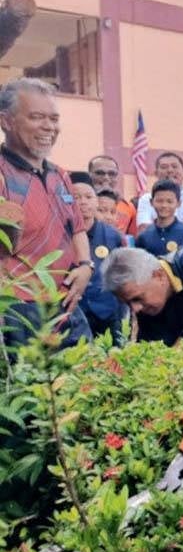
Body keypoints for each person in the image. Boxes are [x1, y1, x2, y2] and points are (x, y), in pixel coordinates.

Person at [0, 78, 93, 353]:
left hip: (65, 302)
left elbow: (76, 228)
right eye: (37, 117)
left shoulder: (60, 175)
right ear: (6, 121)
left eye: (54, 119)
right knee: (31, 391)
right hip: (17, 306)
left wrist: (86, 265)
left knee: (86, 383)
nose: (49, 127)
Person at [69, 172, 128, 345]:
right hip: (74, 312)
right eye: (76, 197)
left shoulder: (113, 236)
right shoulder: (60, 233)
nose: (83, 202)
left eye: (88, 196)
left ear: (96, 201)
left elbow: (123, 275)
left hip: (108, 312)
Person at [136, 152, 183, 240]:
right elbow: (144, 229)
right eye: (164, 167)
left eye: (175, 166)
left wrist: (160, 227)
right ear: (156, 174)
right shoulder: (146, 199)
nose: (170, 170)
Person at [135, 180, 183, 256]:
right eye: (159, 201)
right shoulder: (144, 236)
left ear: (178, 203)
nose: (164, 205)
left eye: (169, 201)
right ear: (151, 202)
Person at [88, 155, 137, 237]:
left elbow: (131, 239)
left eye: (111, 174)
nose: (106, 178)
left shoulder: (129, 207)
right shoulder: (79, 203)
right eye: (100, 173)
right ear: (89, 175)